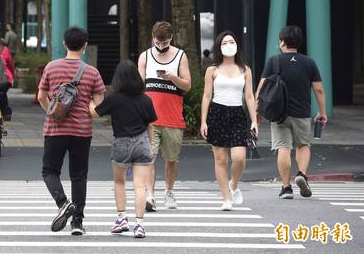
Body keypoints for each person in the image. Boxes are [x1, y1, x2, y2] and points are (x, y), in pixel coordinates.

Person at [37, 26, 106, 235]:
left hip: (55, 129)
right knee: (78, 176)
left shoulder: (51, 67)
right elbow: (98, 108)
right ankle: (77, 223)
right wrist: (86, 107)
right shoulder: (92, 72)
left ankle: (63, 202)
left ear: (64, 44)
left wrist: (53, 111)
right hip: (82, 131)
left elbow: (41, 96)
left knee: (49, 171)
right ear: (84, 46)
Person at [256, 26, 327, 200]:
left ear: (282, 42)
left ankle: (286, 187)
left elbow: (261, 89)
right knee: (303, 145)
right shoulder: (309, 62)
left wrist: (257, 111)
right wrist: (322, 112)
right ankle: (302, 174)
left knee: (283, 148)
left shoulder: (274, 61)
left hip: (279, 113)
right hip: (302, 113)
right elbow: (318, 89)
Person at [96, 60, 157, 239]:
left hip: (121, 143)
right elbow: (151, 126)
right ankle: (139, 225)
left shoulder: (115, 98)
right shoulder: (146, 99)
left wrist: (89, 100)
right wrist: (150, 146)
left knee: (120, 182)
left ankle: (122, 219)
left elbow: (95, 112)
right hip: (142, 142)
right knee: (140, 186)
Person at [199, 31, 258, 210]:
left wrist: (254, 120)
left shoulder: (245, 69)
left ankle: (234, 185)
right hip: (217, 113)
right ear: (219, 46)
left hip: (238, 114)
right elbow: (207, 96)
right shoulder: (212, 70)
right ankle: (226, 198)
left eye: (232, 41)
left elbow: (249, 96)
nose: (229, 44)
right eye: (225, 42)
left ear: (237, 45)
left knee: (239, 158)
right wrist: (203, 121)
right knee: (221, 159)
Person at [137, 21, 192, 211]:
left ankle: (169, 191)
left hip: (173, 117)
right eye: (157, 42)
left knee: (171, 160)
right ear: (152, 38)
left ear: (171, 38)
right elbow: (138, 87)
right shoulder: (144, 57)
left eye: (164, 42)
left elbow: (187, 85)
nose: (161, 46)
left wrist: (173, 77)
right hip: (151, 119)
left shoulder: (180, 56)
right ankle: (149, 195)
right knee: (149, 157)